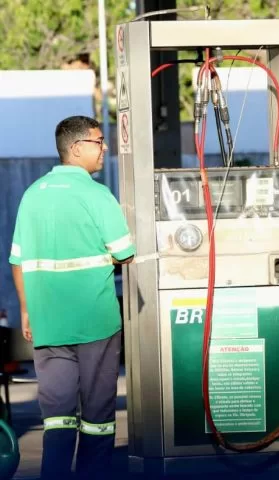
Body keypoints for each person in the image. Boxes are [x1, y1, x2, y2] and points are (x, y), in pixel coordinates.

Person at [8, 116, 135, 478]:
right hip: (94, 321)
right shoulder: (96, 194)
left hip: (48, 323)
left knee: (57, 416)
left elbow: (18, 259)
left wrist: (27, 311)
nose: (104, 147)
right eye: (99, 141)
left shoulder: (32, 194)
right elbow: (125, 252)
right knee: (97, 417)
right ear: (77, 148)